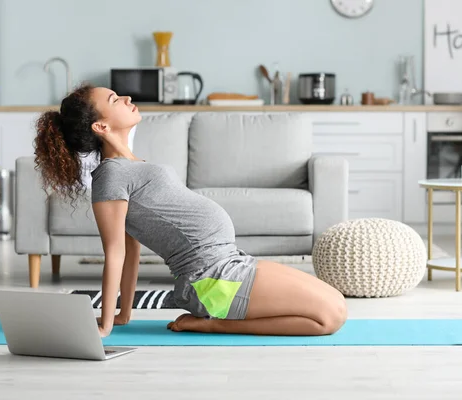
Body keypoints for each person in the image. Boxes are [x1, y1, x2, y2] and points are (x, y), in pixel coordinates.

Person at [34, 83, 347, 338]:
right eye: (115, 99)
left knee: (338, 305)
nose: (127, 97)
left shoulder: (130, 167)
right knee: (328, 319)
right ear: (101, 125)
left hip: (230, 263)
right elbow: (115, 253)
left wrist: (124, 314)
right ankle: (215, 324)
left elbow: (133, 250)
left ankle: (217, 319)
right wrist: (105, 324)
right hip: (212, 280)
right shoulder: (110, 176)